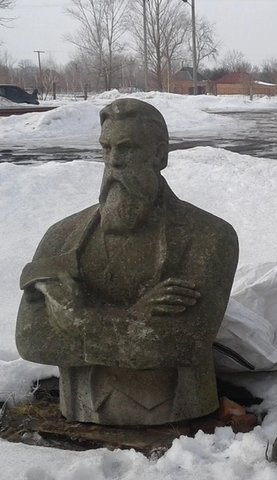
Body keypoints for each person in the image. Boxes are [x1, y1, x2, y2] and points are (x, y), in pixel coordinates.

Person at [16, 98, 239, 426]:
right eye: (106, 148)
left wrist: (77, 318)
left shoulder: (210, 236)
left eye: (127, 148)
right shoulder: (61, 236)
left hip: (177, 414)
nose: (113, 161)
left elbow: (181, 342)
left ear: (159, 155)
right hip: (78, 409)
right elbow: (31, 338)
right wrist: (133, 318)